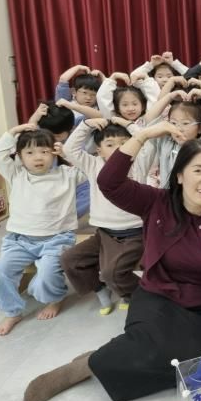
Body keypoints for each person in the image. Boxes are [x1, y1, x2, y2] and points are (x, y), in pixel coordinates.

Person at [22, 122, 201, 401]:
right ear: (179, 176)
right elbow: (109, 182)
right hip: (159, 298)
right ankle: (89, 364)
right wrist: (143, 135)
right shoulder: (156, 202)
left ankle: (115, 354)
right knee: (157, 348)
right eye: (198, 170)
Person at [0, 124, 86, 335]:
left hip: (57, 239)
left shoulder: (68, 174)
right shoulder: (16, 173)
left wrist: (68, 154)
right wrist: (13, 132)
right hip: (20, 240)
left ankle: (54, 299)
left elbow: (92, 168)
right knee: (0, 270)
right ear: (20, 156)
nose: (38, 157)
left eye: (44, 151)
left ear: (54, 153)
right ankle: (12, 311)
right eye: (30, 152)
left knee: (47, 274)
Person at [60, 118, 147, 314]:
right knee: (70, 259)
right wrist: (87, 125)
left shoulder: (139, 162)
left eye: (124, 143)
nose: (118, 149)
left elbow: (146, 141)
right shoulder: (93, 164)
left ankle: (132, 293)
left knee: (111, 273)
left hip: (134, 234)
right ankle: (100, 290)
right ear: (99, 150)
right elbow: (69, 150)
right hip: (104, 233)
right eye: (110, 144)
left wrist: (127, 124)